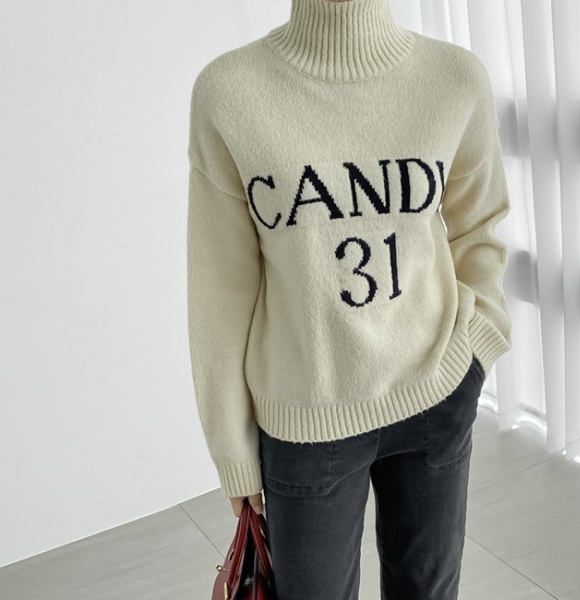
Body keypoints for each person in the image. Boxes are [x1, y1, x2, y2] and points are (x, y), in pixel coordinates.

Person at [186, 0, 512, 597]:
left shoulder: (454, 78)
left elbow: (479, 227)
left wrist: (476, 351)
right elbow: (220, 287)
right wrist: (231, 443)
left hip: (436, 391)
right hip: (306, 416)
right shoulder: (229, 92)